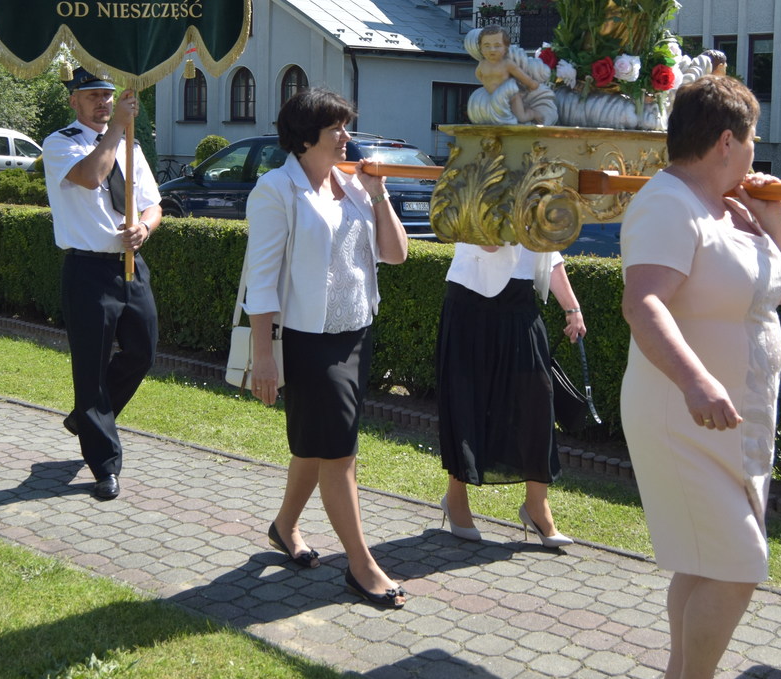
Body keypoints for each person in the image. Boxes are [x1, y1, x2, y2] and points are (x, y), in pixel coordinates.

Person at [620, 75, 781, 679]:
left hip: (738, 421)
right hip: (680, 414)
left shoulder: (728, 206)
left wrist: (773, 219)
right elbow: (643, 302)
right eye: (751, 139)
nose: (756, 153)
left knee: (706, 560)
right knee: (739, 563)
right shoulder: (668, 204)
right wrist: (696, 379)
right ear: (727, 140)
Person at [243, 88, 410, 607]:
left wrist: (379, 194)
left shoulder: (355, 186)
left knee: (318, 446)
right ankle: (362, 567)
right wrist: (264, 354)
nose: (347, 136)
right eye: (337, 127)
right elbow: (262, 280)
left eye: (346, 126)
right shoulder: (277, 189)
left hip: (356, 333)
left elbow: (396, 255)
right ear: (305, 134)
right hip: (310, 341)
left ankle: (284, 526)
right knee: (340, 453)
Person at [43, 68, 162, 501]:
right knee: (90, 370)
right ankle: (105, 464)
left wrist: (145, 229)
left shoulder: (130, 145)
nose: (103, 102)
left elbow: (153, 205)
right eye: (92, 95)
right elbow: (92, 176)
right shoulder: (60, 143)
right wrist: (115, 132)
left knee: (143, 352)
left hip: (130, 265)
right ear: (73, 100)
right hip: (87, 270)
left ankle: (88, 417)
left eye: (108, 95)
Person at [435, 242, 584, 546]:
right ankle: (456, 500)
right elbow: (489, 243)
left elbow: (548, 251)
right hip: (469, 305)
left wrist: (572, 308)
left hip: (520, 304)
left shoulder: (537, 195)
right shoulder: (477, 191)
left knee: (537, 405)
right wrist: (523, 223)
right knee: (466, 404)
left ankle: (536, 507)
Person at [464, 25, 556, 126]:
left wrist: (532, 83)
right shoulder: (482, 64)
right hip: (494, 98)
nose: (492, 50)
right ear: (481, 48)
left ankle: (533, 113)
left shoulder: (507, 64)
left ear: (505, 48)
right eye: (487, 46)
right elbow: (479, 75)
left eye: (497, 46)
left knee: (521, 117)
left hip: (511, 97)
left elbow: (521, 75)